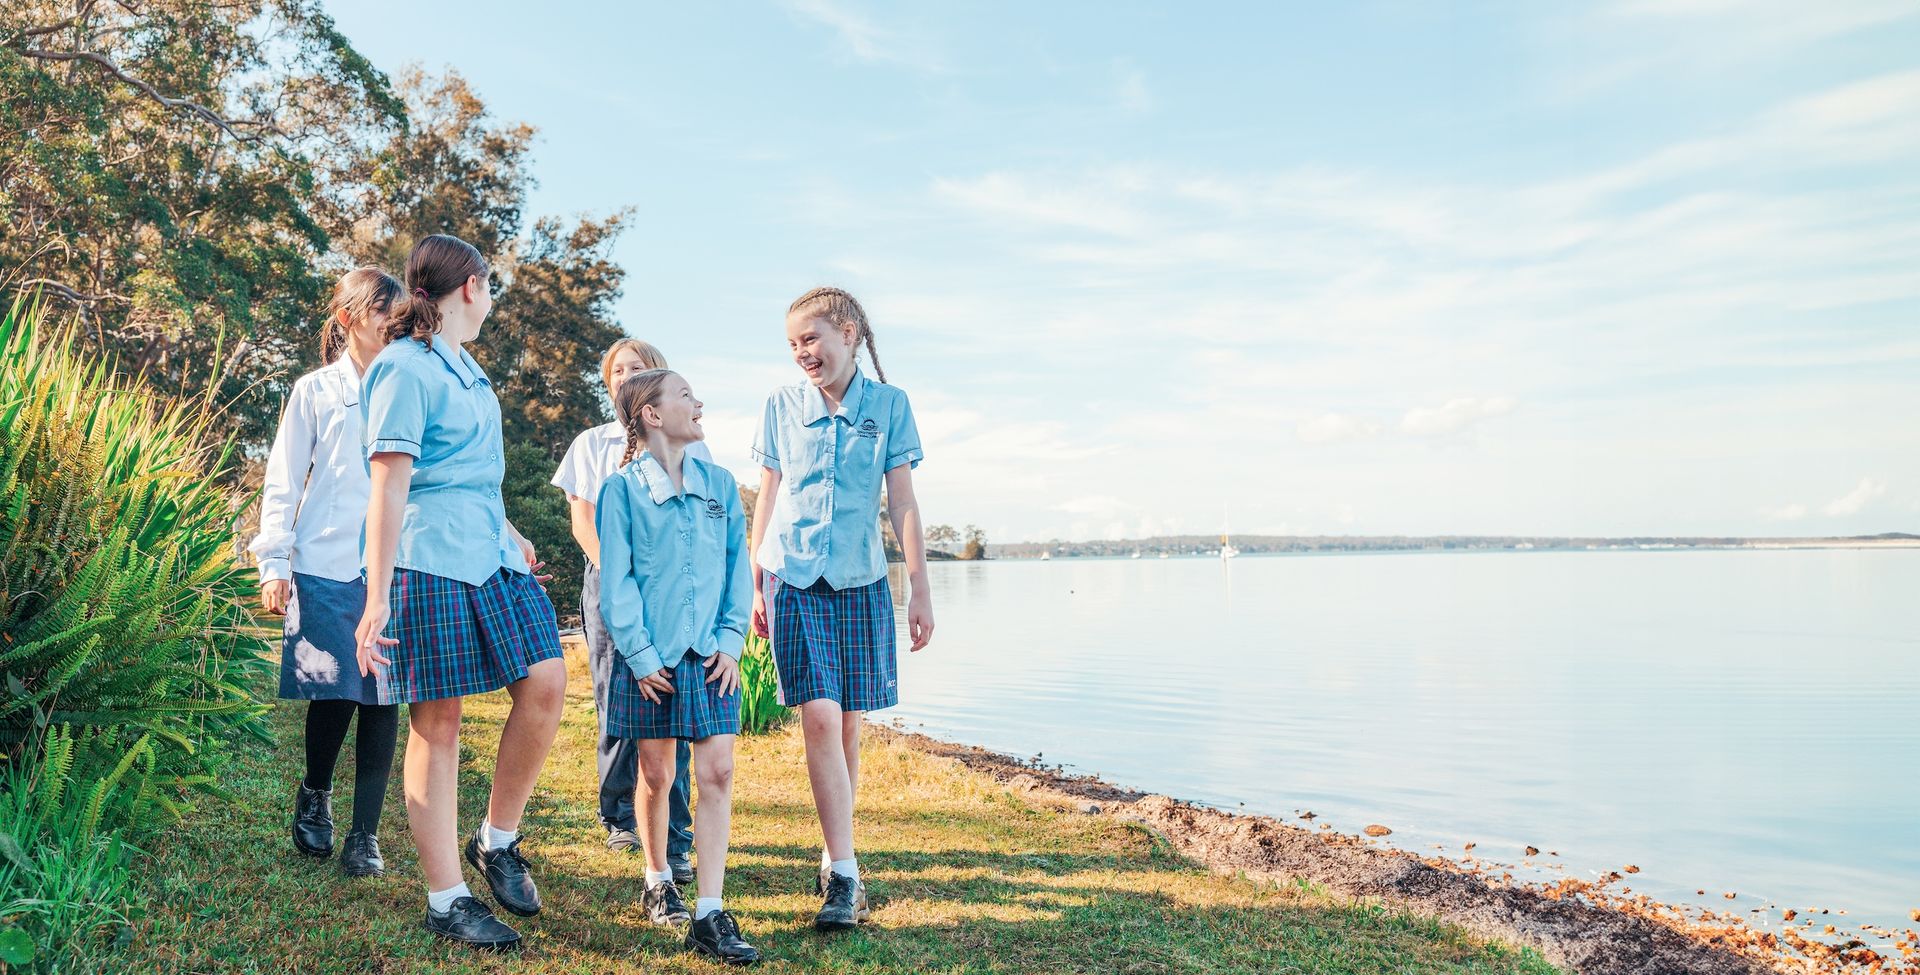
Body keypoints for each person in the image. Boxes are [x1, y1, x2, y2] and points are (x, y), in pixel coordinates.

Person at [354, 234, 567, 951]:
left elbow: (467, 469)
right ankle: (447, 899)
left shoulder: (467, 367)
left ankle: (496, 837)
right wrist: (376, 595)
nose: (492, 295)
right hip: (428, 561)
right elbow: (389, 484)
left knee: (545, 681)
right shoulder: (403, 368)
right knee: (437, 723)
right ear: (470, 287)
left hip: (490, 554)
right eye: (490, 283)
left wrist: (508, 526)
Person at [748, 287, 934, 931]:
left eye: (811, 338)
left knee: (849, 725)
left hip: (860, 583)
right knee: (822, 720)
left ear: (849, 332)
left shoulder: (890, 406)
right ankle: (848, 877)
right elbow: (767, 493)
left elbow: (903, 504)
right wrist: (752, 582)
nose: (802, 352)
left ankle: (835, 856)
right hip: (792, 578)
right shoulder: (780, 405)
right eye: (793, 343)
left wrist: (920, 588)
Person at [597, 368, 760, 964]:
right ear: (652, 415)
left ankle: (710, 911)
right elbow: (616, 583)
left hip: (712, 656)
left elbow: (737, 570)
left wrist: (731, 641)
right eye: (686, 395)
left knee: (716, 774)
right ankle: (657, 875)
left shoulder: (720, 484)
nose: (699, 403)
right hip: (652, 661)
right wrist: (639, 657)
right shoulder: (622, 492)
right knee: (658, 774)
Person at [250, 267, 402, 878]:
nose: (393, 323)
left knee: (385, 694)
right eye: (381, 312)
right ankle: (316, 791)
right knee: (336, 690)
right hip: (326, 563)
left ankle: (364, 834)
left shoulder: (408, 385)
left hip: (393, 566)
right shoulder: (315, 391)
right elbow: (283, 480)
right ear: (347, 320)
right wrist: (274, 561)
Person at [551, 339, 701, 878]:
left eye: (638, 369)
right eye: (617, 370)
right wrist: (620, 576)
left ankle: (675, 826)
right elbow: (582, 521)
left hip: (669, 590)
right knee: (617, 694)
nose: (626, 377)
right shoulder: (591, 444)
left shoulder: (686, 442)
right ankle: (618, 816)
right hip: (608, 583)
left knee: (673, 698)